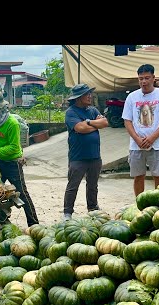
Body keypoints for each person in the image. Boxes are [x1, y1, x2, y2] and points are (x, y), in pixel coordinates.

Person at [0, 89, 39, 227]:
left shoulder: (12, 123)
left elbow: (14, 148)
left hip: (12, 163)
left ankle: (34, 225)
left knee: (22, 194)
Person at [122, 64, 159, 197]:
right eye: (140, 79)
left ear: (153, 78)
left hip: (157, 144)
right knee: (138, 176)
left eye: (146, 78)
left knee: (158, 176)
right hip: (136, 145)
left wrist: (152, 138)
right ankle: (140, 203)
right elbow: (127, 121)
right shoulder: (132, 97)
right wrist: (137, 139)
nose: (143, 82)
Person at [62, 83, 109, 221]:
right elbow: (80, 128)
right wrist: (95, 124)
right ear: (78, 97)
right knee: (73, 185)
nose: (90, 96)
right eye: (86, 94)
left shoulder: (93, 110)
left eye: (89, 93)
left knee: (93, 185)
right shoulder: (71, 112)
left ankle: (93, 208)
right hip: (78, 157)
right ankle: (67, 212)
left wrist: (88, 122)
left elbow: (105, 123)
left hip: (95, 155)